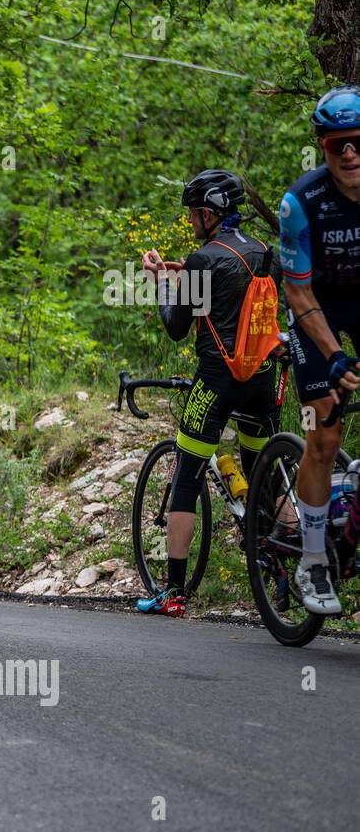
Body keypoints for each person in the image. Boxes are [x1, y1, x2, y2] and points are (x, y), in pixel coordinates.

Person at [134, 169, 283, 616]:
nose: (191, 221)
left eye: (194, 213)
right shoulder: (264, 252)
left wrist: (162, 282)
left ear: (209, 212)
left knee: (187, 474)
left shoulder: (203, 259)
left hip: (218, 380)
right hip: (265, 378)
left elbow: (178, 327)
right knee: (266, 475)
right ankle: (280, 572)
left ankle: (175, 593)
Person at [277, 85, 360, 615]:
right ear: (323, 149)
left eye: (358, 142)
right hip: (315, 311)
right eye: (337, 146)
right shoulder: (301, 203)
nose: (350, 153)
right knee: (324, 432)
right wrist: (332, 353)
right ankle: (312, 561)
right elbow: (298, 290)